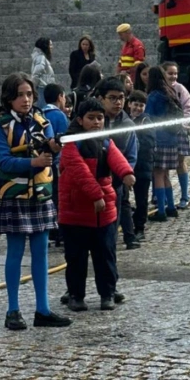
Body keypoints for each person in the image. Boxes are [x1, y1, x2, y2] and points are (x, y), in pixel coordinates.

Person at [0, 72, 71, 331]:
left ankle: (42, 309)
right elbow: (4, 161)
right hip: (14, 195)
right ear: (8, 98)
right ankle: (13, 310)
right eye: (19, 95)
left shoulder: (43, 121)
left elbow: (52, 159)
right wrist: (33, 163)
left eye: (29, 94)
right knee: (15, 252)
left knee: (41, 253)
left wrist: (53, 151)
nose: (25, 100)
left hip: (41, 195)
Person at [59, 99, 135, 312]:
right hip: (75, 213)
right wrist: (96, 195)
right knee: (76, 259)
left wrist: (127, 173)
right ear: (80, 120)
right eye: (91, 118)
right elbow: (79, 172)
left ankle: (107, 293)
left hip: (104, 214)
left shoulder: (105, 142)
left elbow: (117, 159)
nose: (96, 122)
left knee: (106, 255)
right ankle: (76, 295)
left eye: (99, 118)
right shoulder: (70, 144)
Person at [95, 77, 140, 250]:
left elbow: (131, 153)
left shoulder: (127, 124)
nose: (118, 102)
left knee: (116, 214)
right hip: (95, 178)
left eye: (121, 98)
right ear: (102, 99)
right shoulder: (94, 120)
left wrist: (126, 173)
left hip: (116, 180)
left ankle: (112, 246)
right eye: (112, 98)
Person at [146, 66, 184, 221]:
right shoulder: (171, 93)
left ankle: (161, 211)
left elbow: (148, 117)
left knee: (158, 174)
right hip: (172, 138)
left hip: (159, 139)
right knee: (166, 174)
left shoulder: (153, 96)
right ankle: (172, 207)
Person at [161, 62, 190, 208]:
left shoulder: (180, 89)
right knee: (164, 166)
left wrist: (183, 122)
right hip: (164, 132)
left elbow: (188, 107)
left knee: (181, 162)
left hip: (179, 130)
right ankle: (168, 198)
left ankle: (185, 195)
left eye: (175, 73)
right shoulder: (160, 90)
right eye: (170, 73)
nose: (173, 76)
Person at [42, 84, 70, 247]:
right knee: (57, 198)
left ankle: (48, 230)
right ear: (60, 96)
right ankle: (59, 231)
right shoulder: (59, 116)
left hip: (42, 163)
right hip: (56, 163)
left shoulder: (40, 113)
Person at [127, 90, 154, 241]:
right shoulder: (125, 119)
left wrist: (133, 144)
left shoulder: (146, 122)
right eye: (135, 104)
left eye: (141, 105)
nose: (138, 108)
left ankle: (140, 228)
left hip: (142, 166)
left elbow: (149, 143)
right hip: (128, 165)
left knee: (141, 199)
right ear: (129, 104)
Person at [31, 37, 55, 108]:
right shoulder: (41, 58)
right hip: (42, 88)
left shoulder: (41, 57)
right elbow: (36, 74)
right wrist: (33, 88)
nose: (52, 47)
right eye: (50, 45)